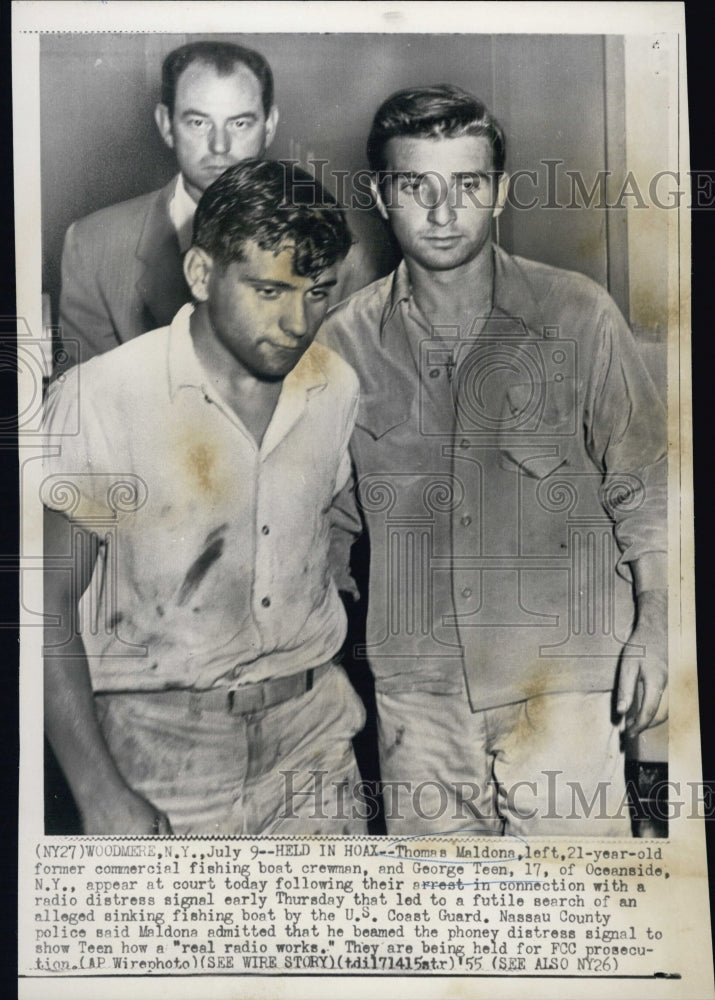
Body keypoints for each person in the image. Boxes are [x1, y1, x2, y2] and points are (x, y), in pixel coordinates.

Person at [320, 85, 667, 836]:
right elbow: (323, 523)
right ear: (381, 198)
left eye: (467, 184)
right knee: (449, 934)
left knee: (575, 920)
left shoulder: (577, 313)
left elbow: (643, 485)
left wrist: (655, 625)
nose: (442, 211)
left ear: (500, 192)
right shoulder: (341, 343)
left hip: (561, 687)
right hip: (417, 695)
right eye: (416, 185)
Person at [43, 159, 367, 836]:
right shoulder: (107, 396)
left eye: (317, 293)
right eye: (269, 290)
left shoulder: (334, 386)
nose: (296, 321)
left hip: (313, 741)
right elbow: (41, 606)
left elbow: (324, 538)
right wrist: (97, 790)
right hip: (159, 751)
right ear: (200, 274)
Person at [58, 40, 390, 365]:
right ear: (166, 124)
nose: (220, 145)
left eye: (240, 123)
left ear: (269, 126)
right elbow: (83, 403)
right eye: (198, 123)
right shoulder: (93, 246)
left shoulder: (347, 252)